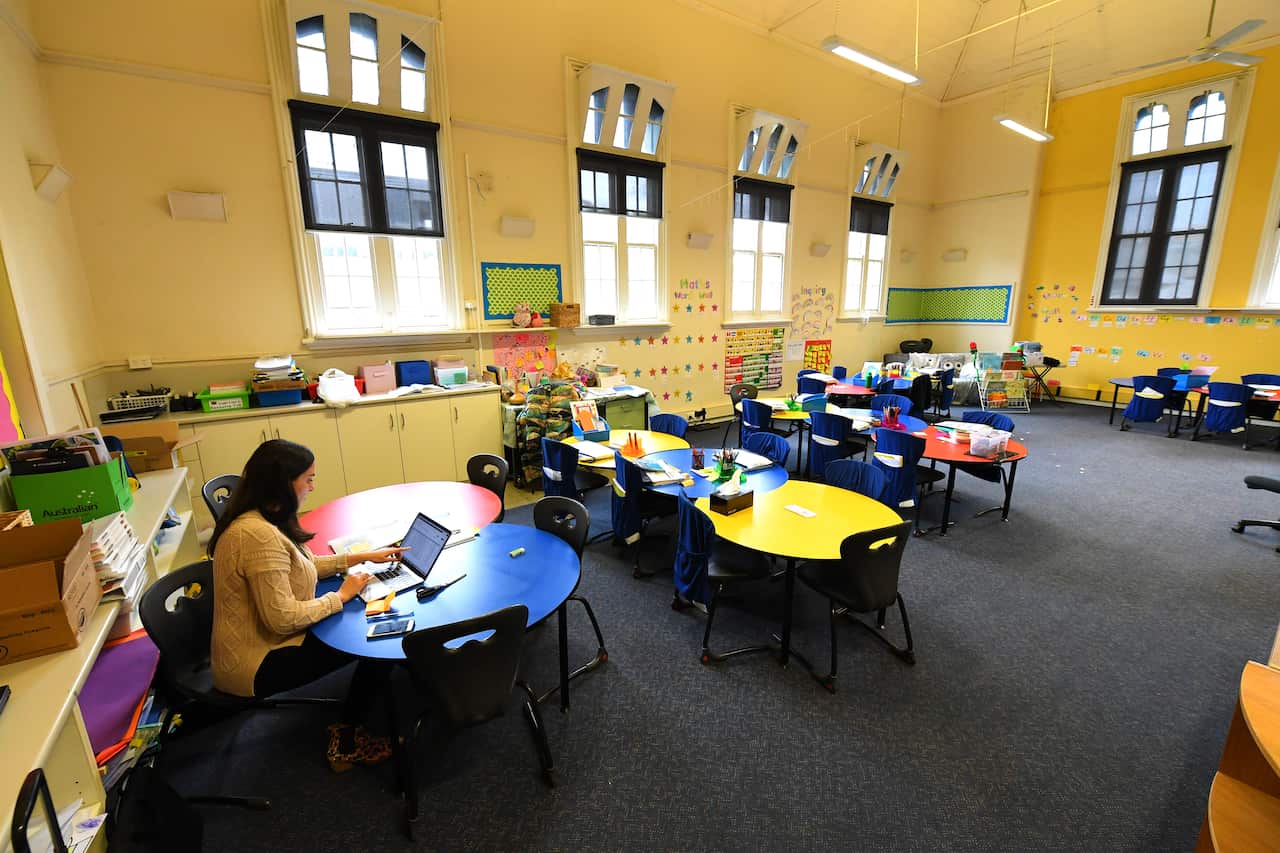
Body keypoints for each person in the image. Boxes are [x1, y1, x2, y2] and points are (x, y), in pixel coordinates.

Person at [209, 439, 403, 772]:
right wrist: (340, 596)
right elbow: (282, 620)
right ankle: (346, 742)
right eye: (308, 479)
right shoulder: (257, 535)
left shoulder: (263, 517)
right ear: (284, 484)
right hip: (256, 662)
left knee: (357, 618)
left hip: (261, 640)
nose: (312, 487)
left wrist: (361, 557)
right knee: (372, 638)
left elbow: (302, 564)